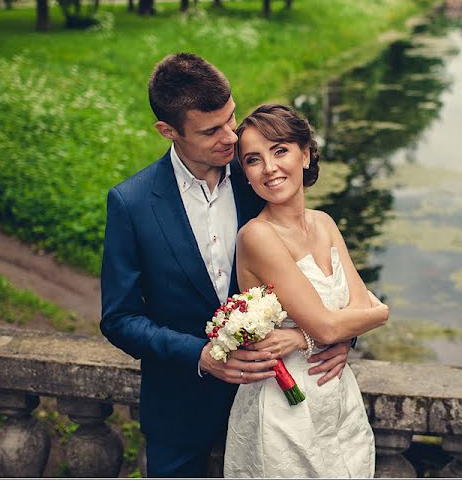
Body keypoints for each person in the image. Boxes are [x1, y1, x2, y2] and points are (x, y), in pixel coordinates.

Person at [100, 54, 351, 478]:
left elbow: (322, 266)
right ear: (168, 131)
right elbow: (120, 318)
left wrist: (333, 336)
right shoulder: (132, 203)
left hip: (274, 402)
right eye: (211, 130)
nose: (231, 137)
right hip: (180, 409)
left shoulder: (258, 176)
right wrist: (200, 355)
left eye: (231, 118)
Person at [224, 104, 390, 478]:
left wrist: (319, 334)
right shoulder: (257, 236)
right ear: (246, 174)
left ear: (306, 153)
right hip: (285, 407)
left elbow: (357, 307)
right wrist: (376, 316)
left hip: (337, 396)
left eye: (279, 150)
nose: (269, 168)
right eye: (253, 159)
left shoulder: (325, 223)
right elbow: (338, 325)